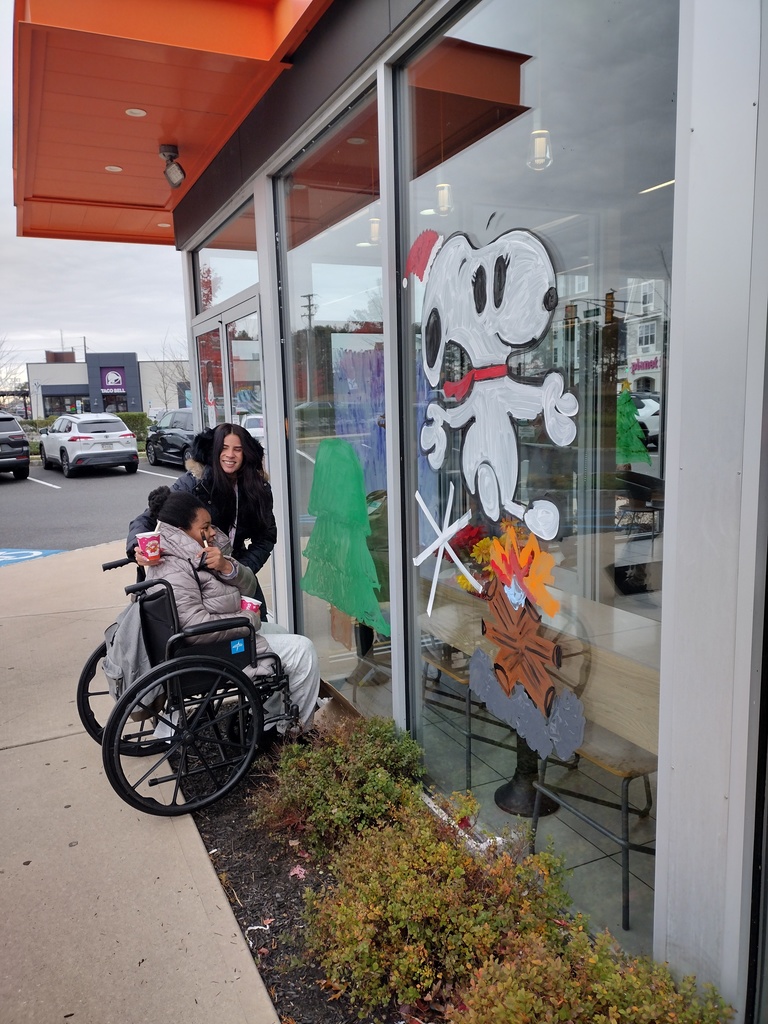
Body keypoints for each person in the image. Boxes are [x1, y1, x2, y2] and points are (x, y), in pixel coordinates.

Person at [144, 486, 319, 735]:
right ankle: (295, 734)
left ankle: (269, 718)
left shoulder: (195, 556)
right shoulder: (176, 567)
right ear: (182, 531)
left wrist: (227, 567)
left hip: (214, 642)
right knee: (304, 651)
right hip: (211, 651)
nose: (212, 532)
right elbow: (195, 627)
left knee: (280, 631)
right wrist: (248, 619)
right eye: (205, 527)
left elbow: (249, 585)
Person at [127, 422, 276, 616]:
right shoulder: (194, 482)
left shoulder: (257, 488)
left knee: (257, 625)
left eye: (237, 449)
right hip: (200, 575)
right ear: (214, 451)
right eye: (224, 448)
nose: (230, 455)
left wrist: (241, 568)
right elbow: (149, 518)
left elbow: (266, 536)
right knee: (213, 629)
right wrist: (137, 548)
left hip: (235, 571)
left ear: (246, 453)